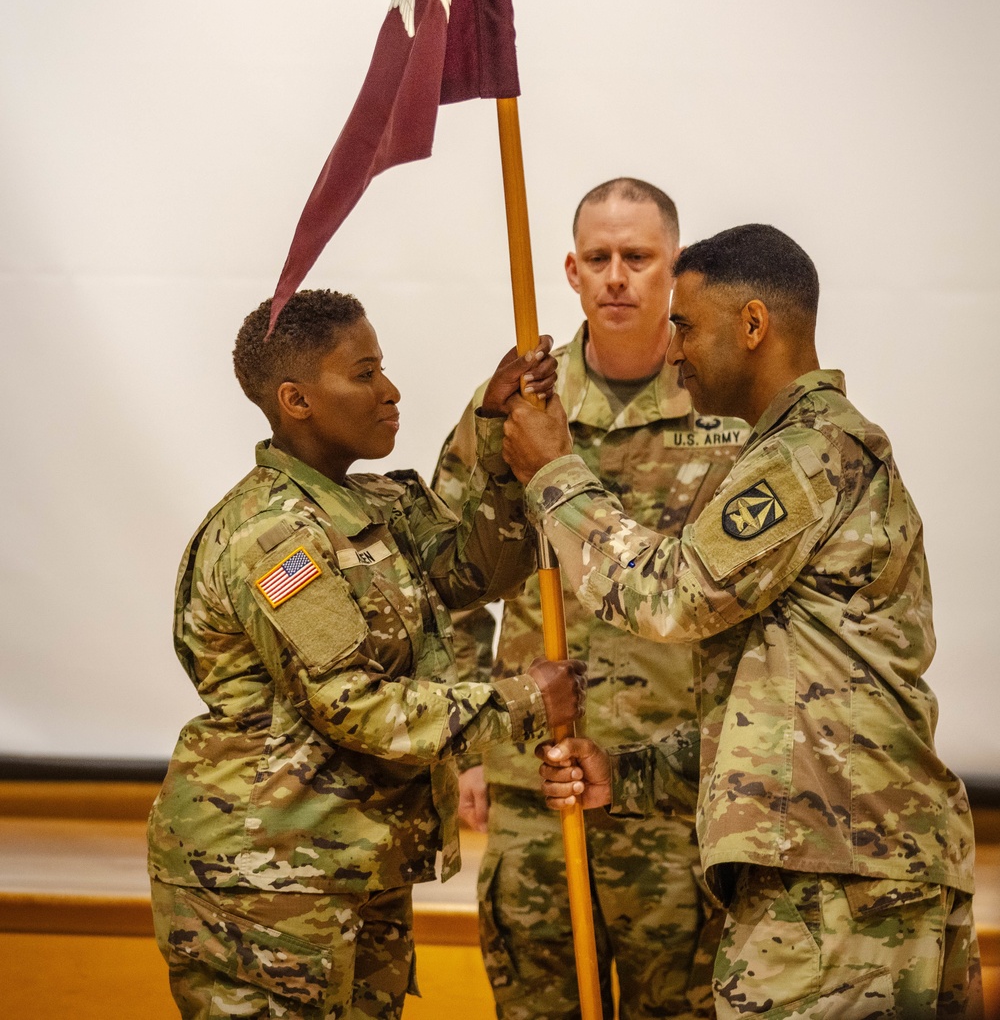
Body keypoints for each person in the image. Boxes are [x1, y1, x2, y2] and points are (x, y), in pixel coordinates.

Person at [502, 223, 981, 1020]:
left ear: (754, 326)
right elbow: (789, 715)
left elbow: (669, 596)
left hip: (839, 884)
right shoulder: (806, 449)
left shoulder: (809, 453)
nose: (673, 348)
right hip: (847, 867)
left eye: (686, 325)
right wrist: (630, 775)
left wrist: (556, 474)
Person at [147, 289, 587, 1020]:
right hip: (269, 877)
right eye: (364, 373)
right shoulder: (275, 539)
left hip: (350, 863)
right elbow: (352, 705)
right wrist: (522, 703)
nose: (391, 391)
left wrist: (497, 439)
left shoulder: (374, 506)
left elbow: (476, 572)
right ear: (296, 400)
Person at [433, 179, 748, 1020]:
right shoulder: (514, 405)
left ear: (674, 269)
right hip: (537, 775)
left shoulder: (724, 408)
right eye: (599, 259)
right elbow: (444, 575)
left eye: (637, 258)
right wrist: (462, 741)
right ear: (570, 271)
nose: (618, 277)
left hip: (675, 784)